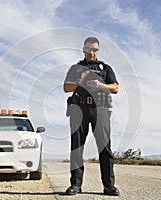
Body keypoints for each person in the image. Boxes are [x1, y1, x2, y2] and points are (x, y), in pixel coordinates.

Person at [63, 37, 120, 196]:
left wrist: (100, 85)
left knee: (105, 147)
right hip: (79, 108)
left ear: (98, 51)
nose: (91, 52)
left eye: (94, 49)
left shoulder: (105, 68)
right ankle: (75, 185)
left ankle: (109, 186)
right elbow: (66, 87)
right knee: (77, 147)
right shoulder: (76, 67)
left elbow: (115, 88)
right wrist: (80, 81)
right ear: (83, 49)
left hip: (100, 108)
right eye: (88, 49)